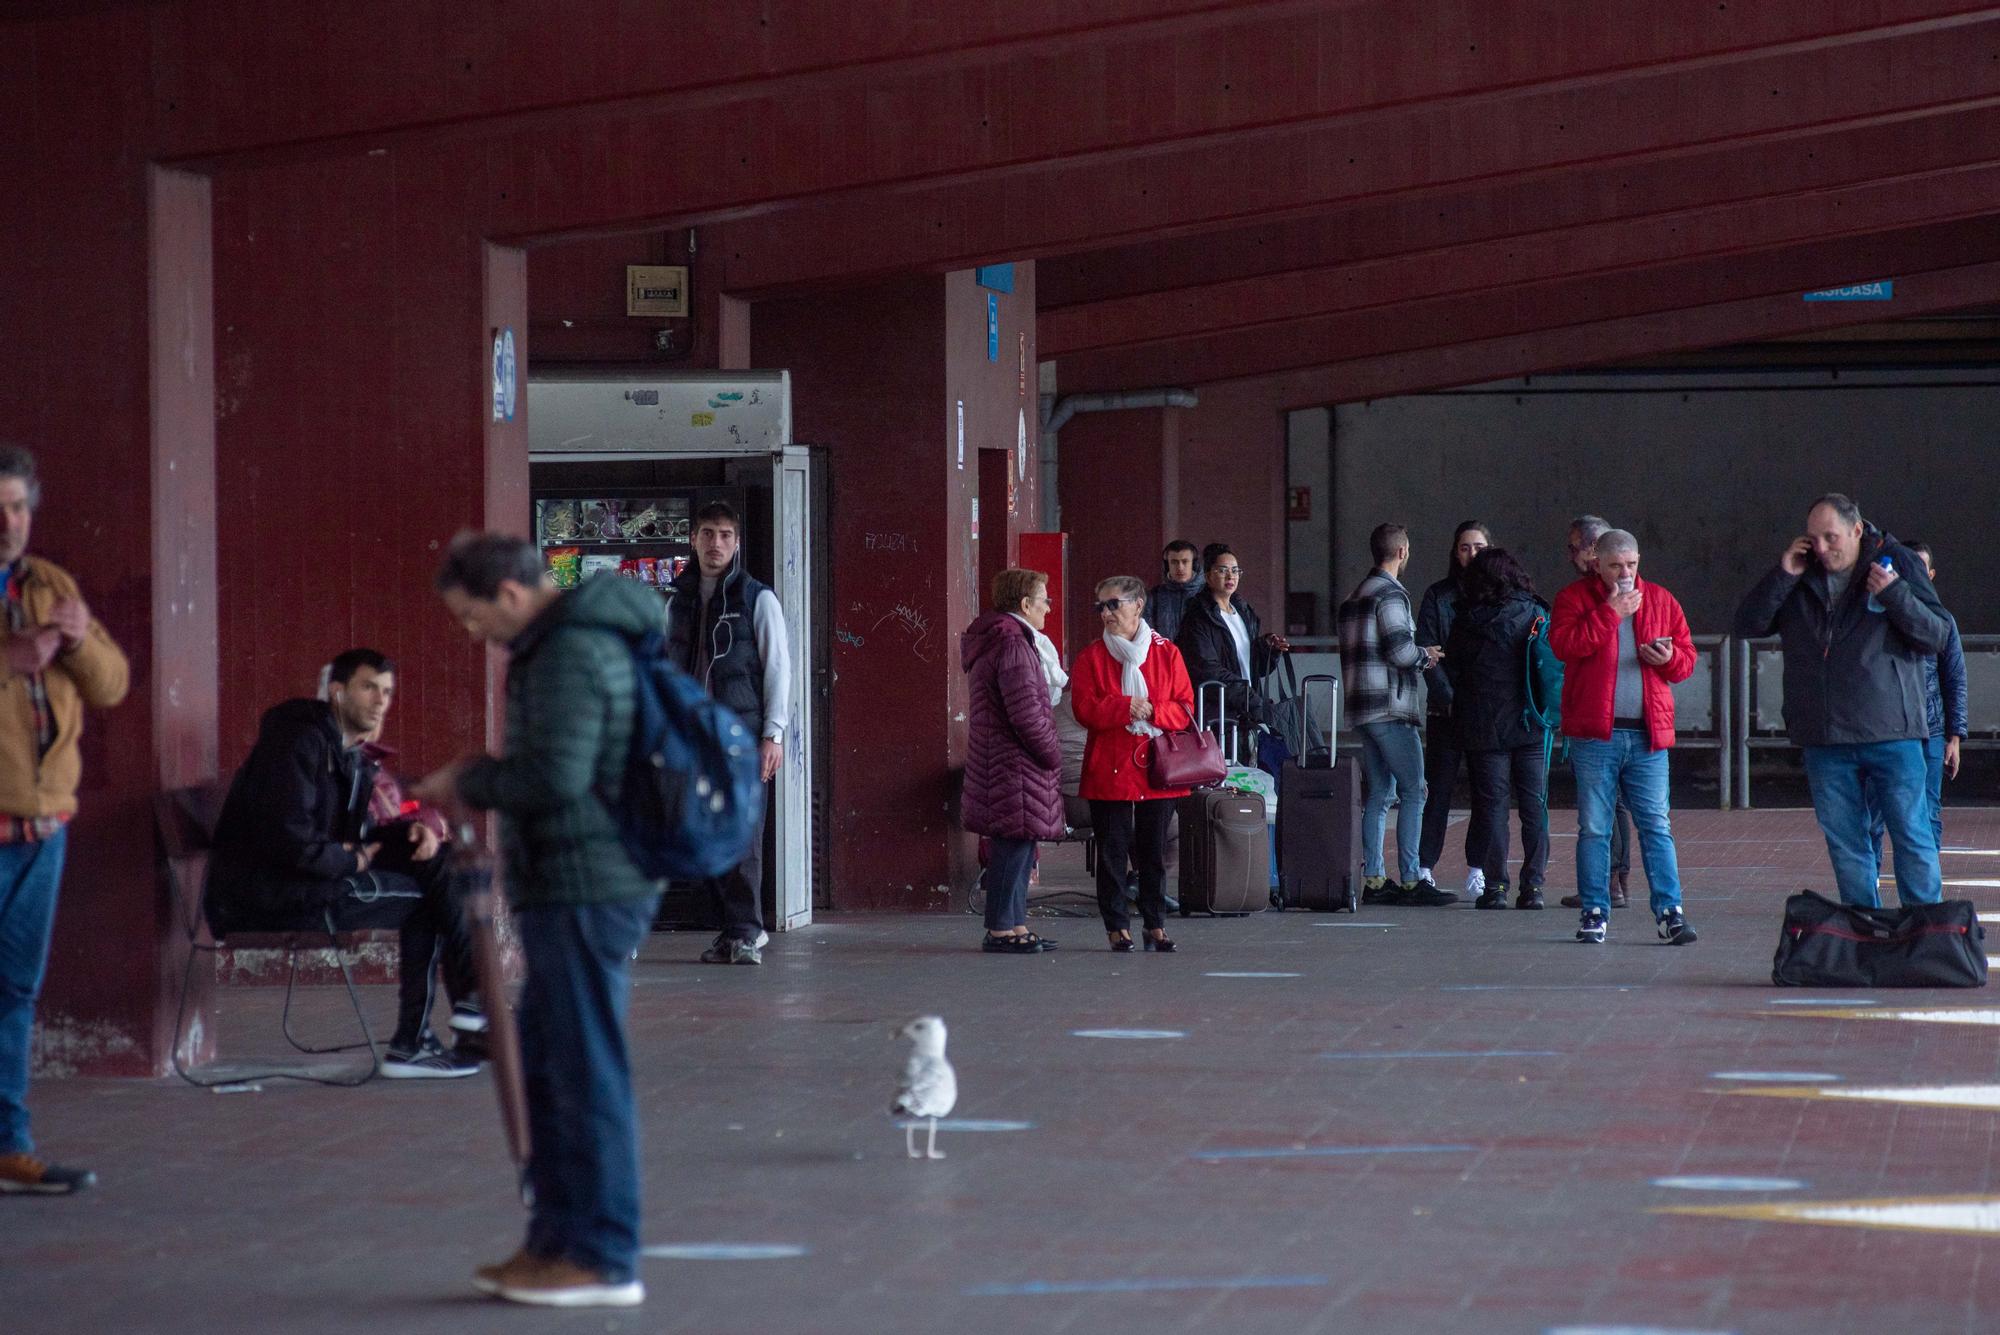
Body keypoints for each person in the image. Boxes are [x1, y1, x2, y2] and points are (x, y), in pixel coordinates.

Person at [415, 532, 663, 1309]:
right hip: (577, 878)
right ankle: (556, 1240)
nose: (469, 632)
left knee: (585, 1068)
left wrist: (470, 776)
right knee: (554, 1061)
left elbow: (555, 774)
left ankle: (602, 1252)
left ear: (512, 595)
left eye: (470, 615)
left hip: (587, 883)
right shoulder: (575, 641)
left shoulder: (569, 652)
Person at [207, 648, 483, 1077]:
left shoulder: (346, 751)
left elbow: (355, 835)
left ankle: (466, 1002)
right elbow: (290, 840)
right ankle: (420, 1037)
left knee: (437, 859)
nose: (380, 701)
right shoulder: (297, 742)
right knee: (429, 896)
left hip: (309, 878)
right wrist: (351, 862)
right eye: (369, 688)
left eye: (387, 692)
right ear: (337, 692)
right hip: (269, 891)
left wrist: (409, 834)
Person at [0, 446, 128, 1196]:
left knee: (15, 991)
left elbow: (112, 683)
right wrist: (9, 657)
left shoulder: (48, 583)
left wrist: (78, 639)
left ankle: (10, 1143)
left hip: (43, 830)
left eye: (17, 506)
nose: (7, 522)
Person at [1734, 494, 1952, 908]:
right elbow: (1749, 624)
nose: (1821, 549)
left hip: (1892, 732)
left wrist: (1894, 595)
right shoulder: (1801, 573)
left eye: (1830, 538)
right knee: (1846, 844)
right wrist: (1783, 574)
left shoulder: (1898, 562)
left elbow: (1936, 635)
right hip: (1825, 737)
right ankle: (1864, 929)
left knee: (1911, 834)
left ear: (1856, 530)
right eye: (1813, 539)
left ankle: (1925, 932)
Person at [1550, 529, 1698, 945]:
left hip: (1647, 735)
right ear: (1596, 563)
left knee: (1656, 825)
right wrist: (1610, 613)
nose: (1625, 573)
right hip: (1597, 736)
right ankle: (1595, 911)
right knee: (1595, 828)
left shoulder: (1662, 599)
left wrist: (1669, 658)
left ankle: (1671, 913)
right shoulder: (1575, 599)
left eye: (1631, 565)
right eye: (1616, 565)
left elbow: (1686, 659)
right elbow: (1564, 645)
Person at [664, 501, 790, 966]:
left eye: (724, 535)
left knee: (742, 835)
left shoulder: (757, 599)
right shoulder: (678, 600)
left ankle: (746, 930)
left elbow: (779, 668)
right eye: (707, 533)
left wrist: (773, 735)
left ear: (736, 543)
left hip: (742, 736)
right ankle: (729, 928)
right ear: (693, 539)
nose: (715, 543)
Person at [1070, 575, 1195, 952]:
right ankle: (1117, 926)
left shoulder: (1167, 652)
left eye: (1114, 604)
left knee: (1152, 852)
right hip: (1109, 766)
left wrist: (1154, 710)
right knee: (1112, 851)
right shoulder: (1091, 656)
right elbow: (1083, 708)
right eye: (1101, 607)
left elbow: (1186, 708)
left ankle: (1155, 924)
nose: (1106, 613)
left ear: (1138, 604)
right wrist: (1125, 706)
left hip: (1157, 767)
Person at [1339, 524, 1451, 906]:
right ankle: (1410, 878)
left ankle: (1372, 877)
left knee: (1380, 794)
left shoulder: (1354, 595)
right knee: (1415, 790)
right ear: (1402, 551)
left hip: (1362, 707)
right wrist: (1428, 656)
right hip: (1390, 706)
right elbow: (1401, 651)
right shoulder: (1390, 594)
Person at [960, 568, 1065, 953]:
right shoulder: (1014, 644)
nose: (1048, 608)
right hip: (1014, 761)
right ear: (1025, 604)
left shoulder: (1004, 639)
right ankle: (1002, 929)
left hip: (1005, 759)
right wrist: (1052, 754)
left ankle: (1015, 924)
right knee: (1011, 846)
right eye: (1044, 600)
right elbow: (1026, 713)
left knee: (1020, 845)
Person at [1443, 548, 1550, 911]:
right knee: (1535, 806)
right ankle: (1533, 886)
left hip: (1483, 726)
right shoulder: (1535, 613)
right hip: (1529, 720)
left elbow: (1453, 667)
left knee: (1491, 808)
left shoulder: (1465, 620)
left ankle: (1495, 887)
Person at [1864, 541, 1966, 861]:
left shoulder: (1941, 621)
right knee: (1872, 816)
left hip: (1929, 732)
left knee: (1926, 814)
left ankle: (1925, 891)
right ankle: (1868, 893)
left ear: (1930, 575)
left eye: (1918, 570)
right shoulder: (1875, 617)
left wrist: (1954, 737)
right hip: (1883, 733)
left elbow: (1954, 678)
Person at [1558, 514, 1634, 912]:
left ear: (1592, 550)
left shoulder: (1611, 597)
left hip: (1604, 716)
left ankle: (1610, 882)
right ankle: (1616, 878)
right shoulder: (1580, 595)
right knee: (1612, 805)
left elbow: (1574, 645)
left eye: (1574, 547)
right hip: (1600, 713)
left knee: (1604, 810)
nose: (1571, 556)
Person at [1416, 520, 1489, 898]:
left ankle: (1477, 870)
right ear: (1454, 552)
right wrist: (1450, 700)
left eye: (1478, 546)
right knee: (1438, 791)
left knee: (1484, 793)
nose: (1472, 553)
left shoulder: (1497, 596)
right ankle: (1424, 868)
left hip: (1484, 712)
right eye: (1464, 547)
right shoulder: (1438, 595)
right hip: (1445, 710)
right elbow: (1428, 651)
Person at [1174, 544, 1289, 745]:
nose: (1231, 576)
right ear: (1208, 576)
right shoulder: (1198, 617)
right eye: (1222, 570)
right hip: (1217, 716)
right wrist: (1251, 700)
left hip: (1246, 713)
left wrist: (1268, 649)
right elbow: (1207, 670)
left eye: (1235, 570)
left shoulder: (1243, 613)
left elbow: (1253, 668)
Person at [1144, 539, 1203, 642]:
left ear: (1194, 564)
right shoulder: (1155, 595)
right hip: (1166, 656)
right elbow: (1146, 631)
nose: (1180, 567)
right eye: (1174, 562)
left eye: (1185, 562)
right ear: (1167, 565)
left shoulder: (1208, 593)